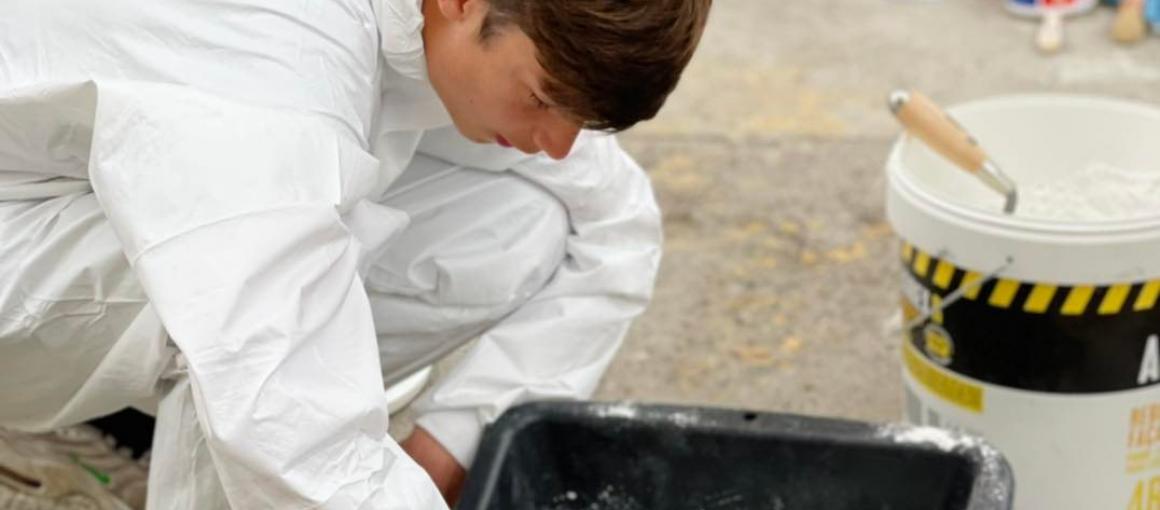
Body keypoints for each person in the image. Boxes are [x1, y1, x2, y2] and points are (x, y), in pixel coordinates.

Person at [0, 0, 711, 508]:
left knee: (532, 221)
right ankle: (73, 427)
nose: (557, 142)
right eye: (542, 98)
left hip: (79, 181)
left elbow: (614, 218)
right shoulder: (277, 65)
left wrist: (448, 448)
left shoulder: (428, 24)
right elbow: (283, 406)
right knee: (236, 324)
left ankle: (120, 434)